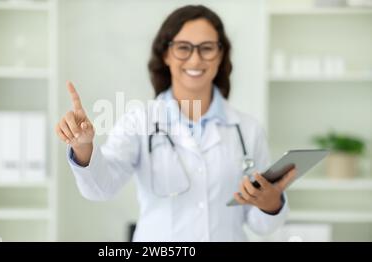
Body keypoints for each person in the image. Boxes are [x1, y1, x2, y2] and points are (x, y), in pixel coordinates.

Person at [55, 5, 296, 241]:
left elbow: (261, 225)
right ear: (166, 54)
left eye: (207, 48)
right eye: (183, 48)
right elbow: (101, 188)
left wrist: (270, 203)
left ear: (220, 55)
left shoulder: (247, 129)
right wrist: (83, 148)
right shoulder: (139, 120)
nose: (195, 58)